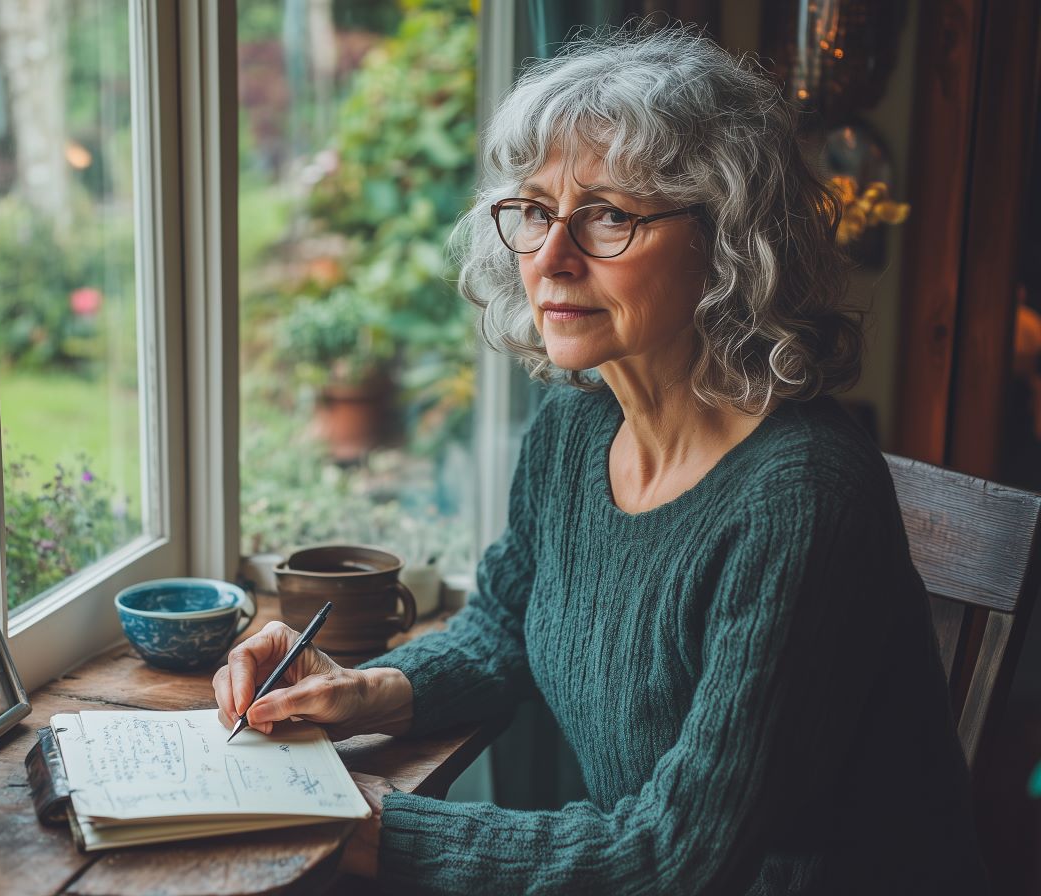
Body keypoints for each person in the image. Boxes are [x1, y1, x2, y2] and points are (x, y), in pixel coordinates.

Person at [214, 23, 987, 894]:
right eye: (536, 211)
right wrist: (365, 689)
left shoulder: (802, 502)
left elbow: (675, 855)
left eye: (610, 215)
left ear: (728, 241)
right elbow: (505, 626)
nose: (551, 258)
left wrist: (374, 832)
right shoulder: (576, 428)